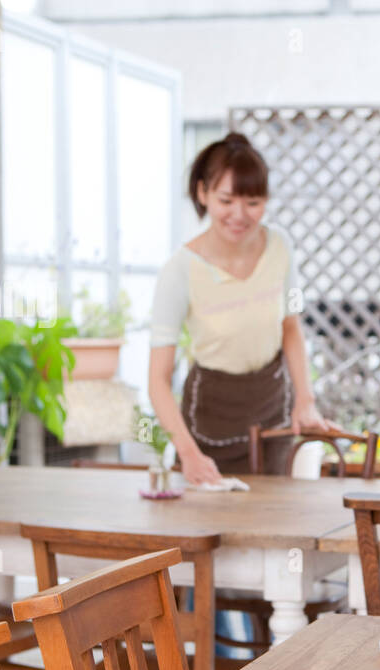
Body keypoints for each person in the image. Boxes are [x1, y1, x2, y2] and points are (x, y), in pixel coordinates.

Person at [148, 131, 338, 486]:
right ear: (203, 193)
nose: (239, 215)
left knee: (274, 518)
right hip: (209, 417)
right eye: (226, 200)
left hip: (272, 407)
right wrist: (188, 454)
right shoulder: (180, 269)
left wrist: (305, 400)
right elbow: (157, 380)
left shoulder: (281, 246)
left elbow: (291, 326)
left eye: (253, 202)